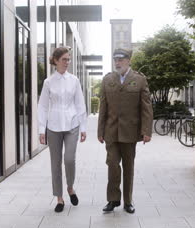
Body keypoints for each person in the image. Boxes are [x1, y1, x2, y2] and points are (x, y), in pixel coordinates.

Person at [98, 48, 153, 214]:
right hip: (111, 132)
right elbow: (103, 107)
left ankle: (128, 201)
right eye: (115, 59)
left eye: (121, 59)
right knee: (112, 164)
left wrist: (146, 131)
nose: (118, 62)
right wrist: (100, 131)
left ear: (129, 60)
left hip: (130, 131)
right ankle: (113, 199)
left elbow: (146, 108)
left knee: (129, 167)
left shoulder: (139, 80)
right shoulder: (108, 80)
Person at [38, 47, 87, 213]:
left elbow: (80, 104)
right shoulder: (48, 82)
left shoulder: (74, 80)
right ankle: (59, 198)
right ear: (56, 61)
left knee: (69, 159)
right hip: (53, 126)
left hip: (72, 124)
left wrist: (84, 127)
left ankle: (70, 187)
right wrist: (41, 129)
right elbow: (43, 107)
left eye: (68, 59)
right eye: (64, 59)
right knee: (55, 163)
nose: (67, 62)